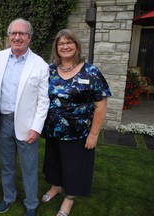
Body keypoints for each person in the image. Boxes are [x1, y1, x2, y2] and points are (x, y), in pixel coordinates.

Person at [41, 29, 112, 216]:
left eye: (69, 42)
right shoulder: (49, 70)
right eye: (61, 43)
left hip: (78, 133)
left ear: (76, 45)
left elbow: (101, 106)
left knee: (74, 167)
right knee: (54, 163)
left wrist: (94, 134)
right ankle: (55, 187)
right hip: (53, 130)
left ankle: (69, 198)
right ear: (56, 47)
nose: (65, 46)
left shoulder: (91, 72)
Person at [0, 18, 49, 216]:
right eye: (13, 33)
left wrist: (36, 128)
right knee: (7, 165)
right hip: (3, 121)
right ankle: (9, 197)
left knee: (29, 167)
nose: (17, 37)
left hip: (27, 124)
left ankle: (31, 204)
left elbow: (43, 101)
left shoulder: (39, 64)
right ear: (8, 36)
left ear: (29, 37)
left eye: (22, 34)